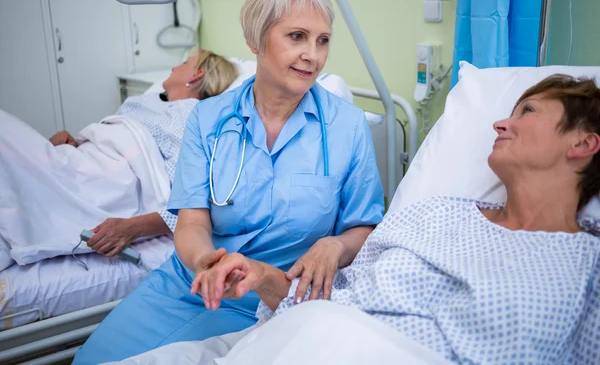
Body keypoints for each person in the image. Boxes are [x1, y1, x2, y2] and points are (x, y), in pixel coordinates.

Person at [74, 0, 384, 364]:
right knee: (92, 359)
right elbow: (192, 223)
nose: (313, 55)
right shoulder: (209, 119)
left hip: (278, 295)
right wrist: (206, 263)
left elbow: (365, 227)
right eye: (296, 37)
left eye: (323, 41)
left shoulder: (347, 127)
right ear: (255, 39)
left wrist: (334, 245)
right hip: (193, 281)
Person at [193, 74, 600, 364]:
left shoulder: (588, 264)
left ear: (582, 143)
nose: (500, 122)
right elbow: (321, 301)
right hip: (323, 341)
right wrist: (260, 274)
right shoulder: (436, 213)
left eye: (527, 111)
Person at [0, 49, 238, 267]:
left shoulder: (187, 114)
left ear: (197, 74)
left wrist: (131, 228)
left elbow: (189, 196)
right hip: (83, 160)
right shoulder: (140, 102)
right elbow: (113, 138)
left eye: (185, 62)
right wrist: (75, 144)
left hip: (106, 179)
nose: (176, 65)